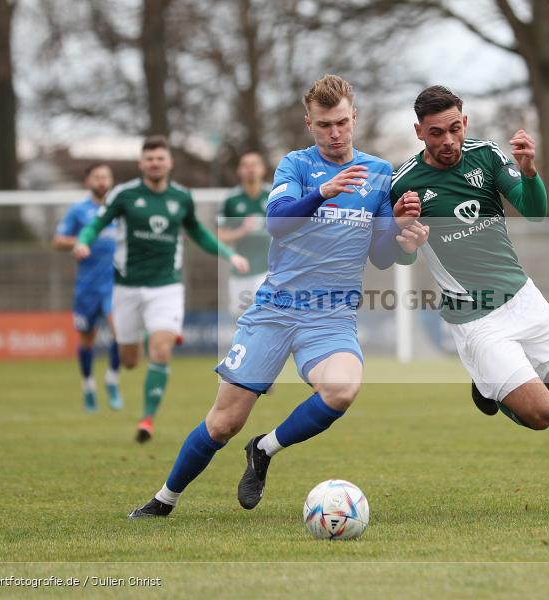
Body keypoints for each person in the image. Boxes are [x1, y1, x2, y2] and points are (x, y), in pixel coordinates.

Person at [127, 74, 427, 518]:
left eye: (342, 122)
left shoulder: (380, 174)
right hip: (274, 309)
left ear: (355, 117)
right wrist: (321, 192)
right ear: (310, 123)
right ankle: (163, 500)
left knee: (342, 390)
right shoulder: (296, 166)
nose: (336, 133)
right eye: (325, 125)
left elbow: (383, 258)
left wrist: (405, 240)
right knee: (224, 421)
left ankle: (264, 449)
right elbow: (278, 222)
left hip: (331, 316)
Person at [390, 85, 549, 514]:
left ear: (465, 123)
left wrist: (529, 172)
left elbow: (534, 211)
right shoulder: (404, 184)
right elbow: (395, 260)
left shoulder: (488, 156)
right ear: (420, 132)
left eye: (455, 128)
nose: (448, 141)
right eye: (436, 132)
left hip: (522, 296)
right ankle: (490, 391)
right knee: (541, 413)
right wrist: (405, 237)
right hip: (476, 319)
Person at [74, 136, 249, 442]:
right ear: (142, 163)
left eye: (160, 158)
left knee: (161, 350)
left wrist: (229, 253)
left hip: (166, 286)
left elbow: (199, 234)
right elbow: (96, 224)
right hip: (127, 287)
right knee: (129, 360)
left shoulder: (181, 197)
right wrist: (83, 241)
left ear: (169, 162)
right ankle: (149, 333)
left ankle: (147, 420)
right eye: (149, 158)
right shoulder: (124, 194)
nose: (155, 163)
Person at [52, 163, 123, 411]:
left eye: (106, 176)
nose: (102, 181)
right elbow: (58, 241)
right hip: (87, 286)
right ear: (88, 182)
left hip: (115, 283)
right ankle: (89, 386)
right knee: (87, 339)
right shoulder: (78, 211)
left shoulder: (119, 209)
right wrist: (81, 240)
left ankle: (112, 380)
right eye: (97, 177)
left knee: (121, 331)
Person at [216, 152, 271, 320]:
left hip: (269, 270)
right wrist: (242, 230)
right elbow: (220, 236)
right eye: (246, 165)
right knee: (242, 321)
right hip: (242, 270)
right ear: (239, 171)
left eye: (254, 164)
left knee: (269, 318)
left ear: (262, 169)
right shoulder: (231, 200)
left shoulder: (274, 195)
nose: (250, 169)